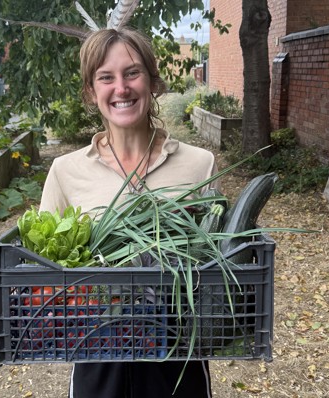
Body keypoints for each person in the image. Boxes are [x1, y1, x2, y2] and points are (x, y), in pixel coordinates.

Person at [40, 27, 218, 398]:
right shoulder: (66, 171)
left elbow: (214, 267)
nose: (121, 88)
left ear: (153, 81)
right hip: (96, 351)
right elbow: (47, 274)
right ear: (91, 91)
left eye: (132, 73)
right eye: (106, 77)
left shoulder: (199, 165)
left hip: (177, 354)